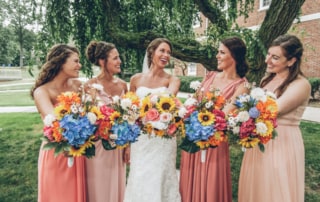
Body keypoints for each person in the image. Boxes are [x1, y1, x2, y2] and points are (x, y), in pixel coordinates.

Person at [238, 35, 311, 202]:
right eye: (268, 54)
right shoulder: (266, 80)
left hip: (282, 142)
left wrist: (244, 111)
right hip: (259, 140)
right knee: (257, 186)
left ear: (291, 61)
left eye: (275, 57)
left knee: (275, 187)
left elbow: (273, 109)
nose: (267, 60)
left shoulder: (301, 85)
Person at [179, 36, 249, 202]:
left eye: (221, 52)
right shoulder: (210, 76)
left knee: (210, 184)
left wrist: (197, 115)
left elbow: (223, 116)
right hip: (193, 138)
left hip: (214, 143)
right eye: (218, 52)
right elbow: (192, 103)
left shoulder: (242, 86)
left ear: (234, 56)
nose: (217, 56)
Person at [124, 38, 181, 202]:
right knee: (139, 176)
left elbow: (168, 103)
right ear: (151, 52)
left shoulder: (172, 80)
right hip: (140, 140)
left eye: (169, 52)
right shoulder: (135, 79)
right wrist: (128, 144)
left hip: (162, 138)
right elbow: (131, 114)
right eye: (162, 51)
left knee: (161, 177)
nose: (166, 55)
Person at [30, 44, 86, 202]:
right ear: (61, 63)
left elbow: (93, 111)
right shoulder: (42, 92)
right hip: (56, 151)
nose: (79, 65)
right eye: (75, 61)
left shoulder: (78, 86)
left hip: (76, 150)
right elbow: (54, 123)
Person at [85, 40, 129, 202]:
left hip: (118, 147)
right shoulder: (90, 86)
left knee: (117, 188)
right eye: (115, 58)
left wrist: (127, 147)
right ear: (102, 61)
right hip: (97, 147)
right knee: (99, 189)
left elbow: (128, 119)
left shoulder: (124, 85)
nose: (120, 61)